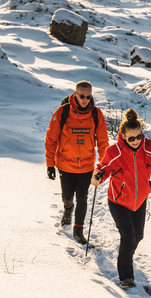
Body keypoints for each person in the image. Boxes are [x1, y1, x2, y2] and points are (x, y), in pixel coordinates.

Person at [91, 108, 151, 289]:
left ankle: (124, 254)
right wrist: (98, 176)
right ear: (123, 136)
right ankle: (126, 278)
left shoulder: (150, 149)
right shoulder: (114, 151)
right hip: (118, 201)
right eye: (131, 138)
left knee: (137, 236)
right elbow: (103, 167)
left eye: (139, 137)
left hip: (139, 200)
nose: (135, 141)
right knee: (128, 237)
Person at [45, 80, 109, 244]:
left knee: (82, 198)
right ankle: (67, 210)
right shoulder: (62, 112)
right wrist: (49, 164)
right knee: (67, 196)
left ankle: (78, 232)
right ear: (75, 94)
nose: (85, 100)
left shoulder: (96, 114)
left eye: (88, 96)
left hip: (86, 166)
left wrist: (102, 167)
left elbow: (103, 143)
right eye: (82, 96)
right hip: (65, 164)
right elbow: (51, 139)